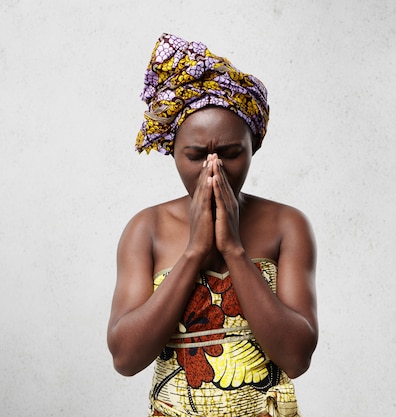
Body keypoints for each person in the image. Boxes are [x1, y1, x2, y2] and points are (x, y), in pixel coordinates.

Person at [107, 33, 318, 417]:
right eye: (195, 155)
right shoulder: (146, 229)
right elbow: (125, 358)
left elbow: (296, 357)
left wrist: (234, 250)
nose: (213, 168)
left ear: (253, 146)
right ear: (173, 151)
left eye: (231, 153)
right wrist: (194, 253)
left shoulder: (287, 225)